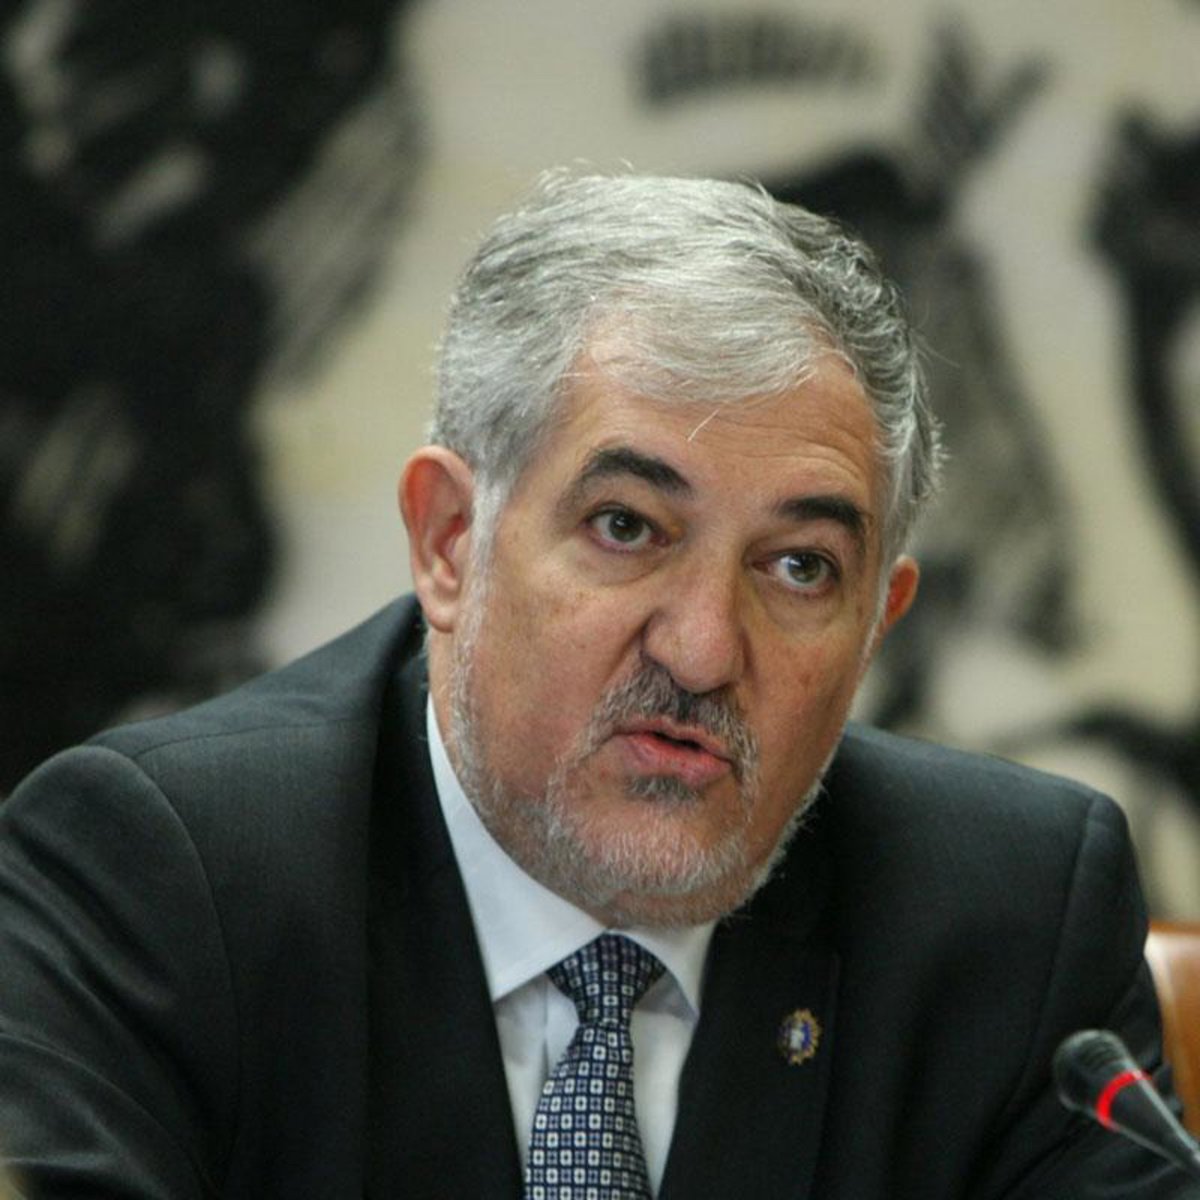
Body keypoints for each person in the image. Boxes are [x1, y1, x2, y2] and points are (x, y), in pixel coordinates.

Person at [0, 170, 1192, 1199]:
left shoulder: (1011, 925)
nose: (703, 651)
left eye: (799, 566)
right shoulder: (160, 882)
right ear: (451, 540)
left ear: (878, 621)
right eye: (627, 526)